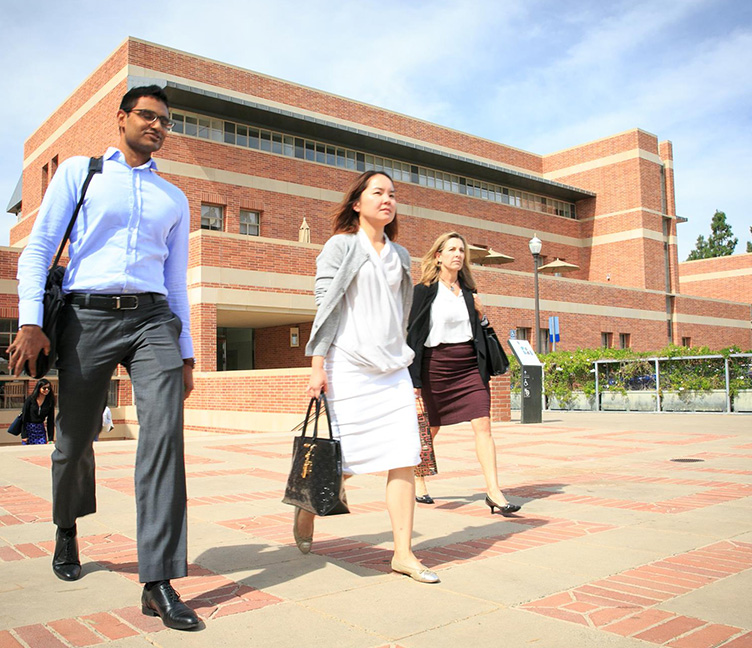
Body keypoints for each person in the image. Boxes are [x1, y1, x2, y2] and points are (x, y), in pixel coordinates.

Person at [8, 86, 199, 630]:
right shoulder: (80, 171)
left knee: (163, 440)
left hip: (153, 320)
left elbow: (175, 281)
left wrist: (185, 354)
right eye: (147, 116)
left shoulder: (174, 198)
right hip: (86, 318)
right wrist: (30, 321)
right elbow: (41, 247)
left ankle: (157, 579)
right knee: (73, 439)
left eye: (165, 120)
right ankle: (67, 525)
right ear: (121, 119)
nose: (157, 125)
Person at [298, 170, 439, 584]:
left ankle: (403, 554)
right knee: (346, 459)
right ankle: (307, 505)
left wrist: (410, 363)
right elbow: (325, 304)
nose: (387, 199)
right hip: (350, 367)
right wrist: (317, 365)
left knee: (405, 457)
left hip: (392, 369)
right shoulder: (340, 246)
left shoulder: (402, 255)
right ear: (357, 203)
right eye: (377, 192)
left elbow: (404, 314)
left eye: (392, 194)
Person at [406, 232, 521, 516]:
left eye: (461, 250)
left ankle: (494, 491)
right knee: (430, 429)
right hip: (435, 367)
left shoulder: (470, 292)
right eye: (452, 249)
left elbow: (479, 331)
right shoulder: (423, 291)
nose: (458, 254)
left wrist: (481, 314)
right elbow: (412, 336)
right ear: (438, 256)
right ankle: (418, 479)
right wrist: (413, 380)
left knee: (483, 425)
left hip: (469, 366)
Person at [21, 379, 55, 445]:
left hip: (40, 429)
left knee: (41, 448)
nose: (47, 390)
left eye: (48, 388)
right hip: (29, 428)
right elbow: (24, 417)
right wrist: (24, 435)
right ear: (39, 388)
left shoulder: (49, 402)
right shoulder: (30, 399)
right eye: (44, 388)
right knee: (29, 452)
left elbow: (50, 420)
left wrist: (50, 438)